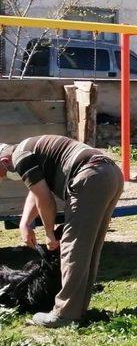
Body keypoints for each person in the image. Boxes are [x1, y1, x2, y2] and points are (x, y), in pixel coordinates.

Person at [0, 136, 124, 327]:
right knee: (89, 247)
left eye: (0, 174)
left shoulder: (20, 157)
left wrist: (49, 233)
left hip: (90, 176)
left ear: (4, 162)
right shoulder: (27, 149)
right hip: (110, 173)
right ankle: (78, 310)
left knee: (73, 248)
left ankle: (65, 315)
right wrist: (25, 223)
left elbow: (44, 198)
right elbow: (36, 191)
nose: (2, 178)